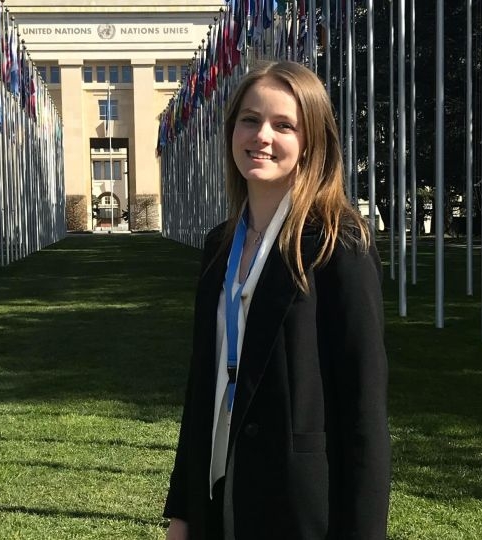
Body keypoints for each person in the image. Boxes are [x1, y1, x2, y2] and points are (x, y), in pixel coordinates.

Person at [163, 60, 391, 539]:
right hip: (217, 490)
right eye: (250, 119)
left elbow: (363, 412)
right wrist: (181, 510)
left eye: (283, 124)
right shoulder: (218, 246)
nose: (261, 136)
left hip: (298, 504)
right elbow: (201, 385)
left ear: (310, 142)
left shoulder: (339, 243)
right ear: (232, 132)